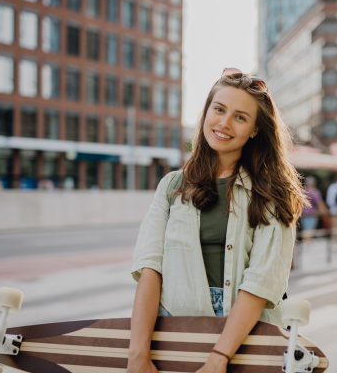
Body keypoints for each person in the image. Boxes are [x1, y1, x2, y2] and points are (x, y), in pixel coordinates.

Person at [127, 68, 307, 373]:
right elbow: (150, 269)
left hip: (246, 338)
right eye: (219, 109)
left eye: (240, 117)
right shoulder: (172, 186)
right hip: (173, 331)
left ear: (254, 130)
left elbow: (261, 282)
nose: (224, 123)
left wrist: (219, 357)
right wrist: (138, 356)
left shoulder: (272, 192)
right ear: (207, 112)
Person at [301, 176, 326, 242]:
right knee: (309, 230)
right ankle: (306, 245)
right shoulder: (315, 191)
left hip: (303, 214)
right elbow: (320, 203)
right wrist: (324, 212)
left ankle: (305, 244)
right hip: (311, 214)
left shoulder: (302, 191)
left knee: (305, 230)